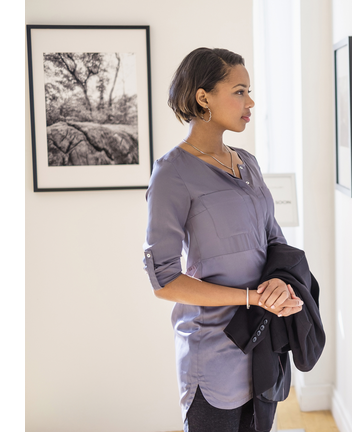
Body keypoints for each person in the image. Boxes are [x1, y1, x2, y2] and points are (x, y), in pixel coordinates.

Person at [142, 47, 304, 432]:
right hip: (212, 355)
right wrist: (249, 297)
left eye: (249, 91)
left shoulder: (248, 162)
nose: (250, 101)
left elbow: (274, 240)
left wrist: (279, 284)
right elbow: (164, 281)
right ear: (204, 97)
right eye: (239, 90)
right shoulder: (171, 174)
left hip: (263, 343)